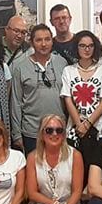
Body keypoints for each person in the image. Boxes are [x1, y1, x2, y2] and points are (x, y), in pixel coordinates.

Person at [11, 24, 68, 154]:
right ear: (31, 42)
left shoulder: (62, 63)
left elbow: (68, 99)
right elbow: (15, 102)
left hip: (58, 130)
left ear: (52, 41)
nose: (43, 44)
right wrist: (16, 134)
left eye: (47, 39)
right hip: (31, 132)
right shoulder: (20, 68)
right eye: (39, 40)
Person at [60, 30, 102, 162]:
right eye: (82, 45)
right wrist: (79, 125)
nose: (86, 49)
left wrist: (87, 124)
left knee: (96, 169)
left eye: (90, 46)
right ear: (76, 47)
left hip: (98, 128)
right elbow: (68, 99)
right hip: (74, 129)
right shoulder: (69, 71)